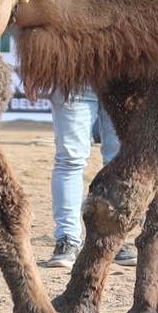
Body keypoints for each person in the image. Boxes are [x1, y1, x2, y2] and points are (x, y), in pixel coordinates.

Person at [43, 85, 125, 269]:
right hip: (73, 78)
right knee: (69, 160)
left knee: (121, 161)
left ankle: (115, 238)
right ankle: (67, 239)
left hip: (122, 78)